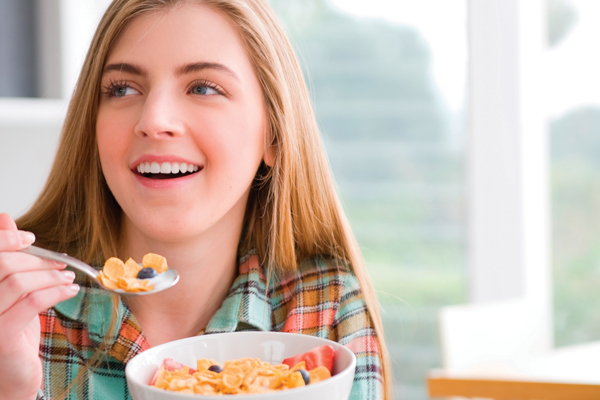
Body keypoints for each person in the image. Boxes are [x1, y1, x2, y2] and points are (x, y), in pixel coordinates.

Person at [0, 0, 392, 399]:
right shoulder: (17, 310)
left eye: (203, 87)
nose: (154, 120)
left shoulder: (323, 306)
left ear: (273, 134)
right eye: (123, 88)